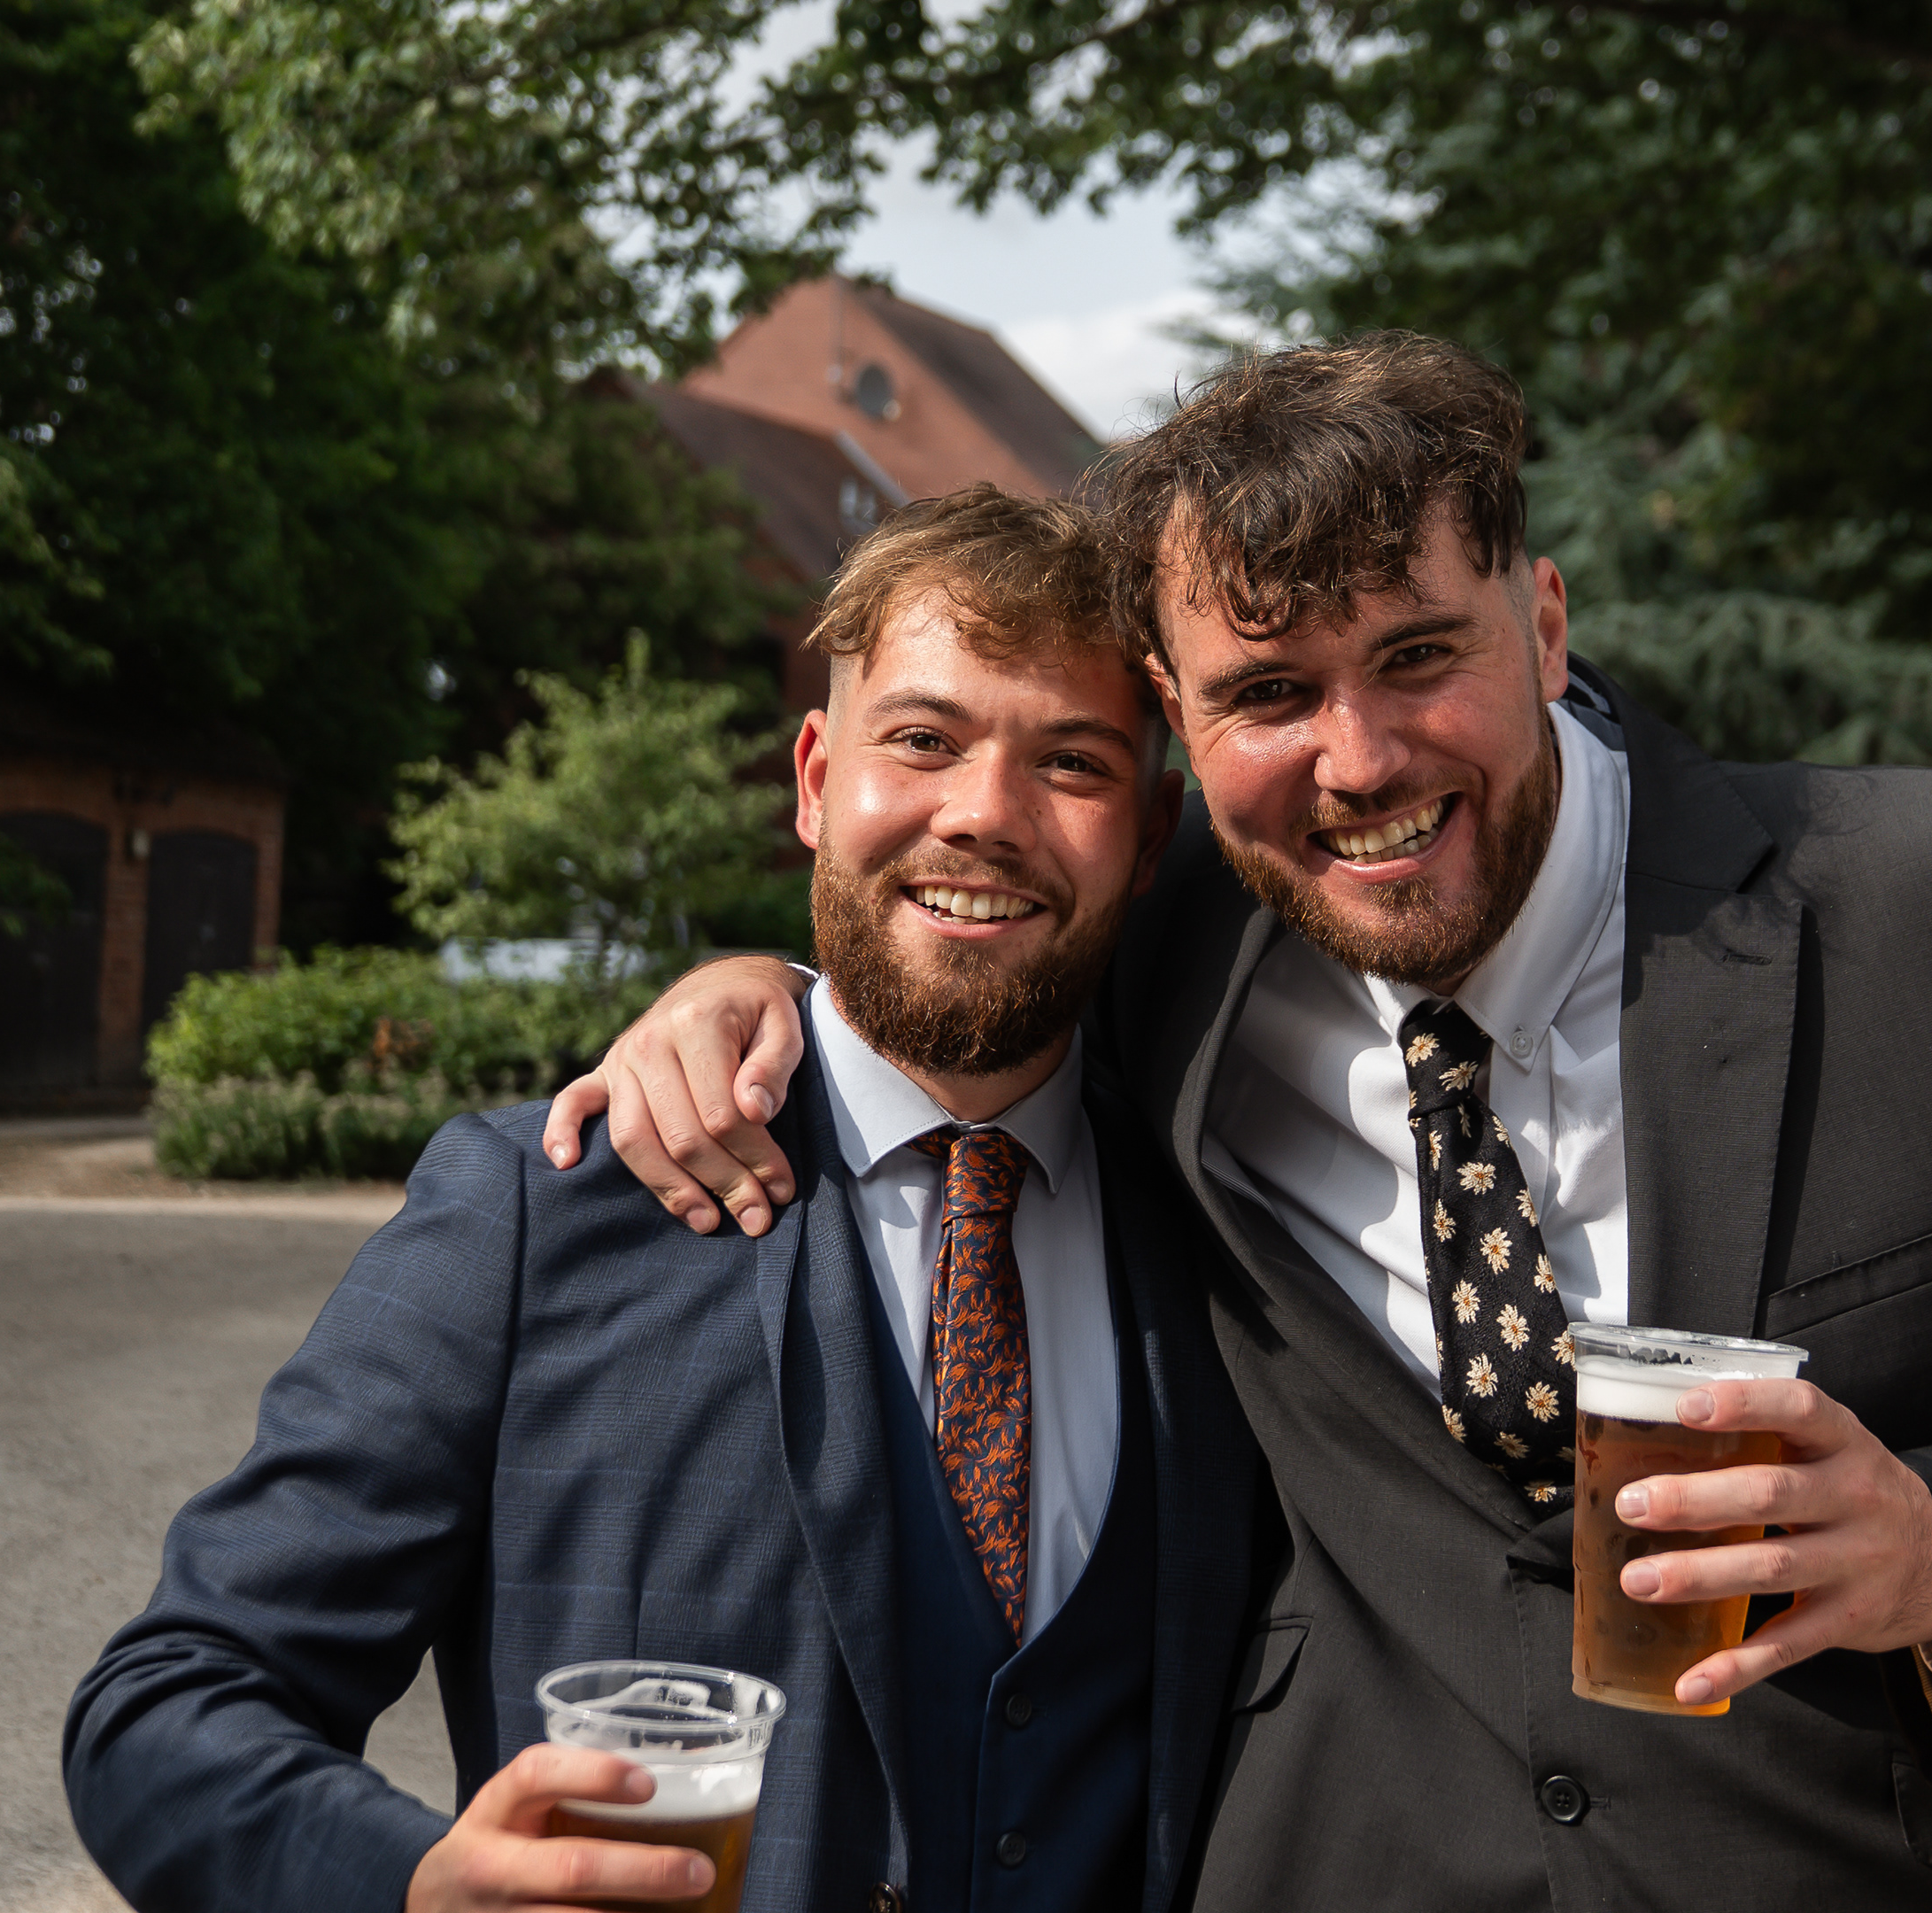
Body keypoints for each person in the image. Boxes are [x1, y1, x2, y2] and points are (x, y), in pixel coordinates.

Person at [552, 336, 1932, 1909]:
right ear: (1181, 725)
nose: (1359, 761)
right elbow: (958, 932)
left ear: (1541, 621)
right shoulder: (1176, 959)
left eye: (1417, 656)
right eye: (1268, 695)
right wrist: (761, 992)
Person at [65, 486, 1256, 1913]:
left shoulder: (1225, 1232)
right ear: (814, 778)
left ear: (1153, 830)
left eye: (1071, 763)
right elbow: (167, 1706)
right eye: (922, 740)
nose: (984, 814)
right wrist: (409, 1884)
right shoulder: (539, 1210)